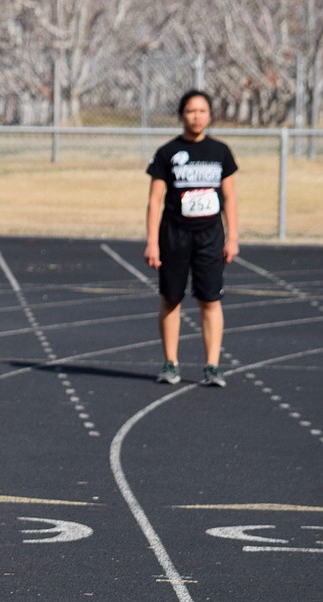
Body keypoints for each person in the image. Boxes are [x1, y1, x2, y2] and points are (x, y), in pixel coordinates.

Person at [144, 89, 239, 388]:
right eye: (190, 111)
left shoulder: (220, 151)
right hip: (174, 235)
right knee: (171, 297)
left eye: (202, 111)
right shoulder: (167, 153)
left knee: (210, 299)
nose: (196, 116)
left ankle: (212, 365)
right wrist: (152, 241)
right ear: (182, 115)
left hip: (210, 236)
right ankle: (170, 363)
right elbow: (154, 201)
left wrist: (233, 236)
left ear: (209, 115)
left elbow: (230, 197)